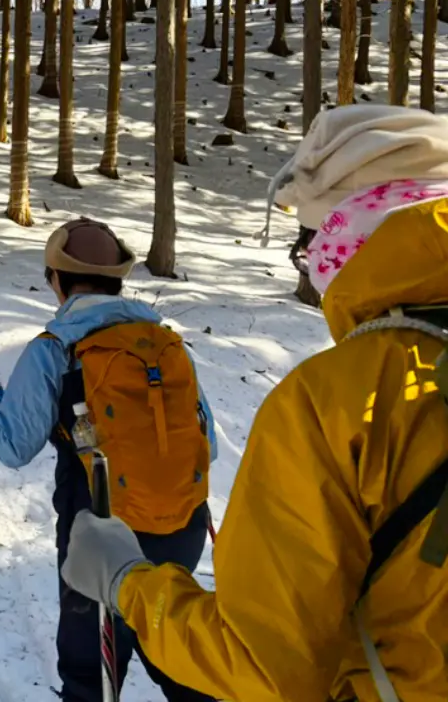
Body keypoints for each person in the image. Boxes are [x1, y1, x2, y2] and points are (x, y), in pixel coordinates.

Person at [58, 104, 448, 702]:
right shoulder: (167, 341)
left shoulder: (334, 400)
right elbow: (206, 439)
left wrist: (125, 580)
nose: (311, 264)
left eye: (309, 241)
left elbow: (262, 665)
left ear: (346, 230)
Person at [0, 217, 218, 702]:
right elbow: (209, 444)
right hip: (183, 525)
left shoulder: (56, 350)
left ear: (58, 279)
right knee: (177, 653)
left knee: (90, 674)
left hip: (98, 531)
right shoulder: (166, 344)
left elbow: (13, 446)